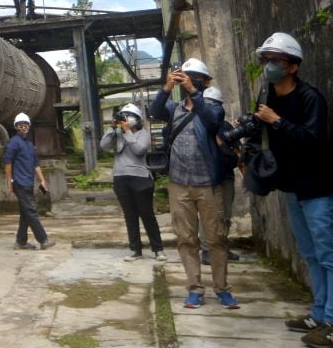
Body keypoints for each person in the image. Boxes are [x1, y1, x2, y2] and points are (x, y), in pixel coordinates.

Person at [252, 32, 333, 346]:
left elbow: (313, 139)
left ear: (293, 66)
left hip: (319, 188)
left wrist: (277, 121)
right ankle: (319, 313)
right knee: (310, 254)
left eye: (276, 60)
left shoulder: (311, 97)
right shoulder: (268, 96)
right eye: (266, 60)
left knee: (330, 256)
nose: (269, 66)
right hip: (293, 188)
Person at [150, 58, 239, 310]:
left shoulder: (212, 107)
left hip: (208, 185)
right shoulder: (175, 109)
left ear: (205, 82)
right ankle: (194, 289)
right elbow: (154, 112)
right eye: (185, 76)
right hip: (179, 184)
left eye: (195, 78)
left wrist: (192, 91)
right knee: (186, 238)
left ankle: (222, 289)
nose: (188, 80)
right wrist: (166, 87)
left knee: (216, 239)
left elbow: (212, 122)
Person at [100, 102, 166, 262]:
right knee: (130, 216)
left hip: (140, 179)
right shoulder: (117, 133)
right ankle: (135, 249)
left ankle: (158, 249)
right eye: (124, 116)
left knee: (147, 215)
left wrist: (127, 132)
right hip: (120, 178)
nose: (126, 119)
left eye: (129, 116)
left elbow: (139, 149)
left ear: (137, 119)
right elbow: (103, 146)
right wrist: (112, 128)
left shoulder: (143, 133)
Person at [199, 85, 240, 266]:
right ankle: (207, 250)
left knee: (225, 214)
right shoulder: (198, 125)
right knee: (208, 216)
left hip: (225, 176)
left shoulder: (226, 126)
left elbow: (238, 152)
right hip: (207, 178)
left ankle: (222, 246)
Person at [4, 112, 54, 250]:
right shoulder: (14, 143)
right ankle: (43, 240)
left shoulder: (29, 144)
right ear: (16, 127)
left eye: (25, 124)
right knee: (31, 211)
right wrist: (10, 180)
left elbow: (35, 164)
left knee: (25, 213)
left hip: (28, 182)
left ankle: (20, 242)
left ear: (29, 126)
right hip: (19, 182)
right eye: (20, 125)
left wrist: (42, 181)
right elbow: (8, 163)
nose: (23, 127)